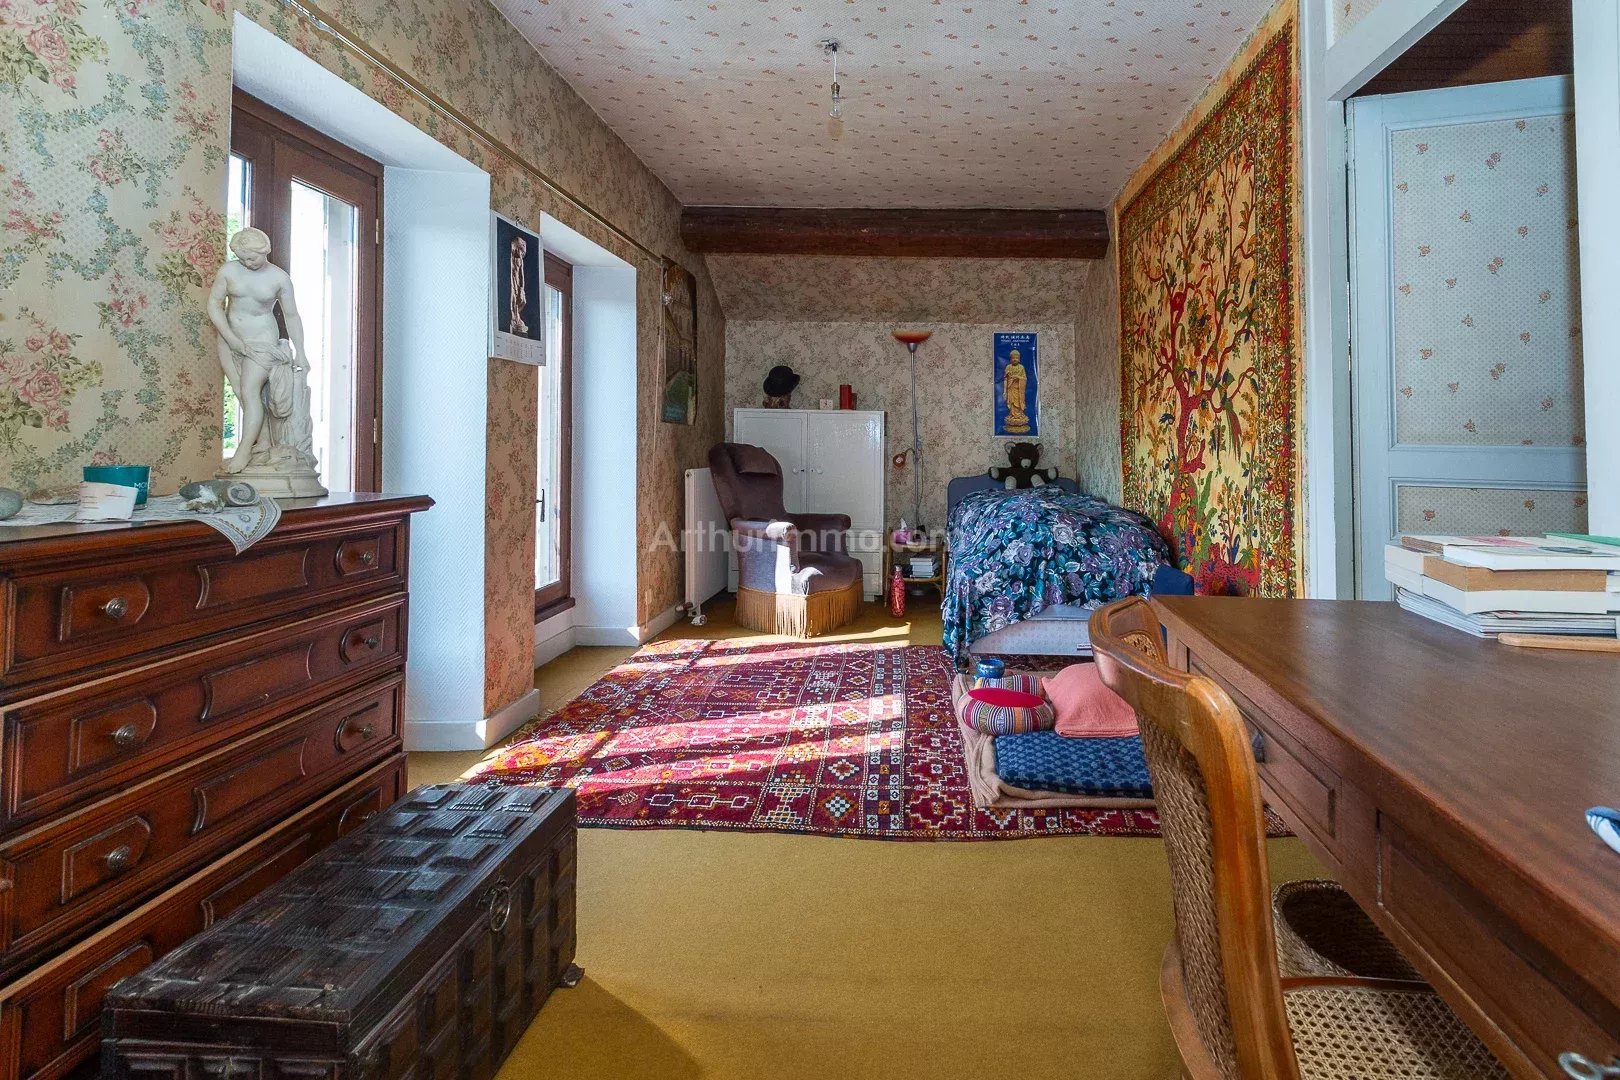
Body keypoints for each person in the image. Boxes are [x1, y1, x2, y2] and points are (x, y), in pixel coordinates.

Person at [207, 227, 318, 478]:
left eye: (252, 258)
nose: (248, 263)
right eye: (243, 258)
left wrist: (301, 351)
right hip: (229, 338)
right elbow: (213, 304)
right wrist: (231, 338)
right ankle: (264, 441)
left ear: (264, 251)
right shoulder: (229, 271)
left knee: (249, 391)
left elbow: (291, 315)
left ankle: (244, 451)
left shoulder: (279, 278)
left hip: (262, 342)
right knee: (241, 393)